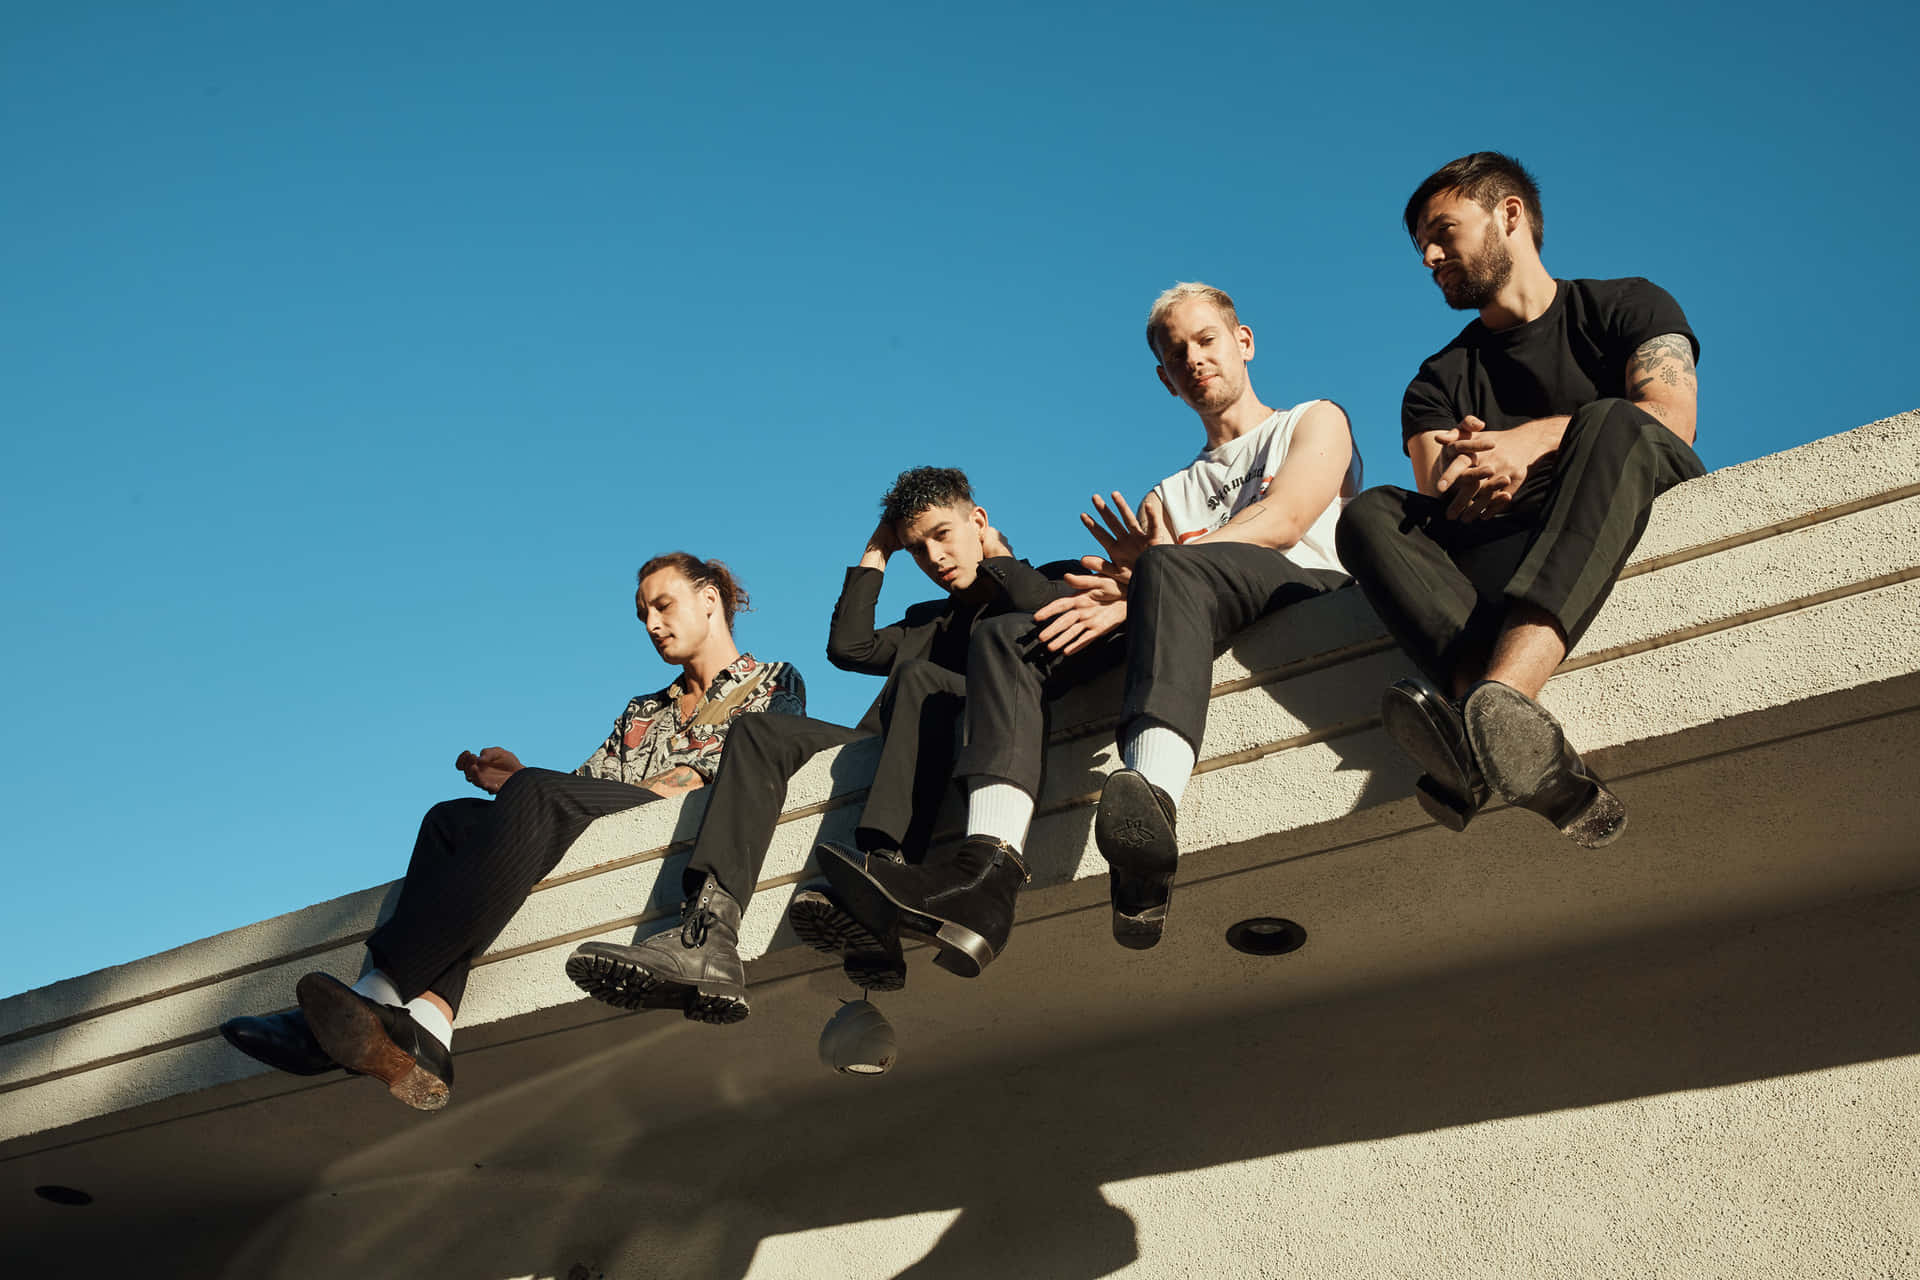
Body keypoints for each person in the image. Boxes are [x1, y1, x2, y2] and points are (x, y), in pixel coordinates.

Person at [816, 282, 1357, 965]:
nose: (1194, 359)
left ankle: (1151, 802)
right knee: (1006, 635)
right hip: (1190, 610)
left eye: (1206, 340)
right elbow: (1143, 587)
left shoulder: (1312, 419)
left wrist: (1157, 570)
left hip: (1298, 591)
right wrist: (1121, 591)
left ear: (1243, 341)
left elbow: (1284, 522)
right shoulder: (1169, 492)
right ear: (1165, 380)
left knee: (1168, 570)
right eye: (1176, 353)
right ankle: (988, 871)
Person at [219, 553, 802, 1110]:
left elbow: (756, 772)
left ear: (708, 600)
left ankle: (377, 993)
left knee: (535, 794)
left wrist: (548, 788)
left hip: (691, 829)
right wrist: (520, 780)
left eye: (663, 605)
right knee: (449, 822)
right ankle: (431, 1026)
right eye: (642, 614)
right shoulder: (643, 710)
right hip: (617, 814)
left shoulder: (773, 680)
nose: (651, 623)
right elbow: (583, 789)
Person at [565, 467, 1072, 1016]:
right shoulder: (933, 622)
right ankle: (709, 933)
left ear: (978, 521)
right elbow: (850, 648)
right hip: (887, 746)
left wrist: (996, 554)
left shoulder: (1046, 580)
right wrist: (878, 550)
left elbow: (1042, 606)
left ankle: (884, 880)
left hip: (977, 737)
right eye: (917, 548)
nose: (934, 558)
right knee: (758, 729)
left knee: (917, 678)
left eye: (943, 535)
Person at [1335, 151, 1704, 847]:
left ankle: (1493, 710)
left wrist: (1529, 443)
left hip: (1620, 514)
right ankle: (1505, 728)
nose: (1430, 256)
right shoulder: (1437, 380)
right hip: (1499, 557)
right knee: (1368, 514)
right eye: (1422, 246)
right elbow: (1442, 490)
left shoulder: (1630, 304)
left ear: (1509, 214)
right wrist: (1481, 470)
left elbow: (1669, 418)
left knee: (1613, 418)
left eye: (1443, 232)